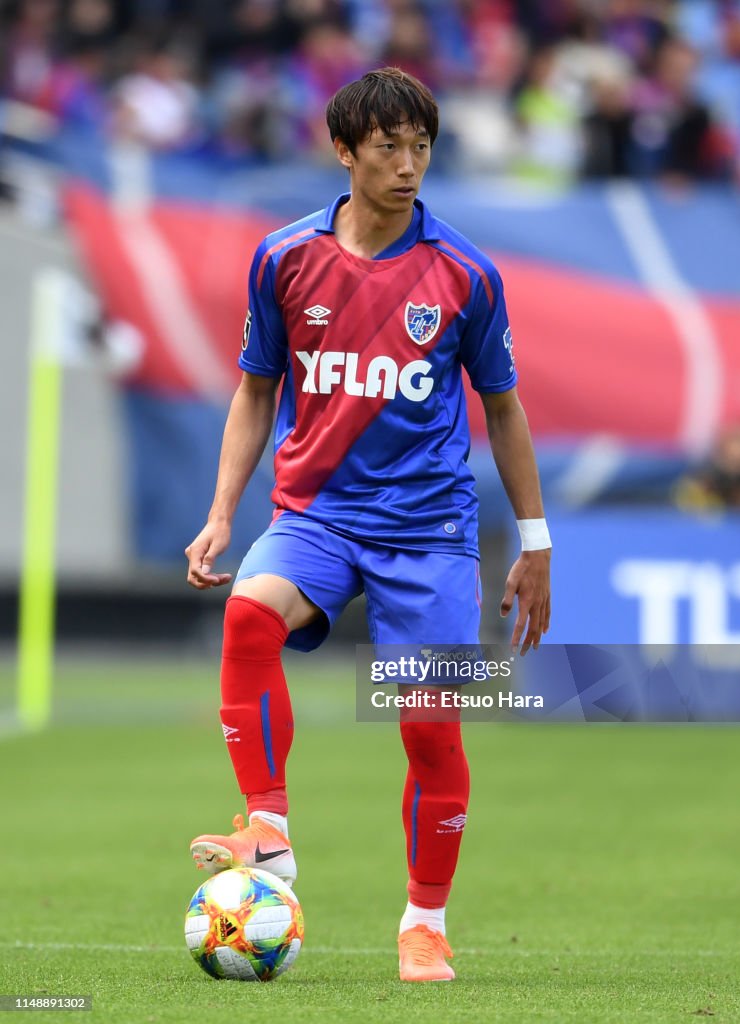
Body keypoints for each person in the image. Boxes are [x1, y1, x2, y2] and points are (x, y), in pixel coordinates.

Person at [184, 66, 552, 983]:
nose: (408, 164)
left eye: (421, 147)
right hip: (317, 514)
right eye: (388, 147)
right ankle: (267, 826)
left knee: (429, 730)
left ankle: (423, 923)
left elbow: (504, 410)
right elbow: (255, 391)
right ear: (344, 151)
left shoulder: (466, 274)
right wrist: (224, 510)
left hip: (429, 533)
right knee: (247, 615)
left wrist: (536, 542)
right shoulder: (284, 259)